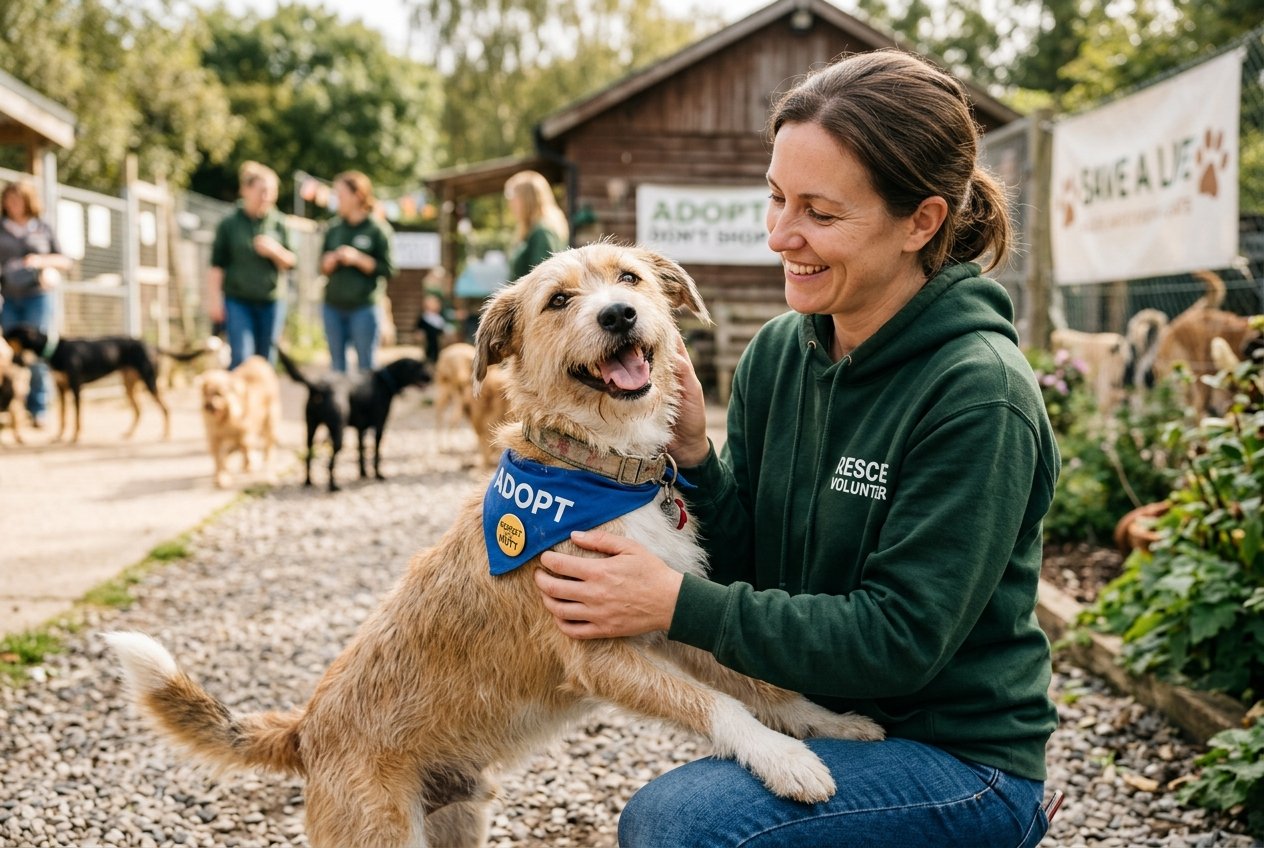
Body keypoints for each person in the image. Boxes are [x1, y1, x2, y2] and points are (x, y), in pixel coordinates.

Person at [533, 49, 1059, 848]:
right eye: (776, 199)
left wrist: (672, 603)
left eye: (819, 211)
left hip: (958, 756)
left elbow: (901, 640)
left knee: (681, 825)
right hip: (820, 712)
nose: (781, 236)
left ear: (922, 221)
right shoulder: (783, 351)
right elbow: (757, 566)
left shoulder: (978, 394)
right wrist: (699, 462)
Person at [208, 162, 296, 369]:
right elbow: (216, 265)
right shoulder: (229, 224)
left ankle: (262, 402)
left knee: (266, 361)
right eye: (262, 191)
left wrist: (275, 251)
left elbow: (292, 262)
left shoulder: (280, 223)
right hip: (238, 301)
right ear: (245, 190)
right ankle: (239, 402)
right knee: (241, 357)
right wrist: (214, 301)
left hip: (271, 301)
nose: (267, 197)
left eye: (271, 192)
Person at [0, 180, 73, 428]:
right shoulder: (1, 228)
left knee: (38, 356)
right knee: (10, 357)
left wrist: (40, 261)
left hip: (38, 297)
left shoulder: (42, 228)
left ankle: (38, 408)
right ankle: (10, 408)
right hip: (8, 298)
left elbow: (65, 260)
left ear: (28, 201)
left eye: (18, 199)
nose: (13, 204)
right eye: (9, 199)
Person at [321, 171, 396, 373]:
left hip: (364, 308)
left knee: (366, 367)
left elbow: (388, 269)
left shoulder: (377, 230)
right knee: (337, 367)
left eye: (340, 195)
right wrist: (329, 262)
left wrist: (357, 259)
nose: (337, 200)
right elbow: (322, 267)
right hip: (333, 306)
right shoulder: (333, 229)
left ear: (357, 196)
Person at [504, 170, 568, 280]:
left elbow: (543, 279)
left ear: (527, 199)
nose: (510, 203)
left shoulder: (542, 232)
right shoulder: (536, 230)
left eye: (514, 197)